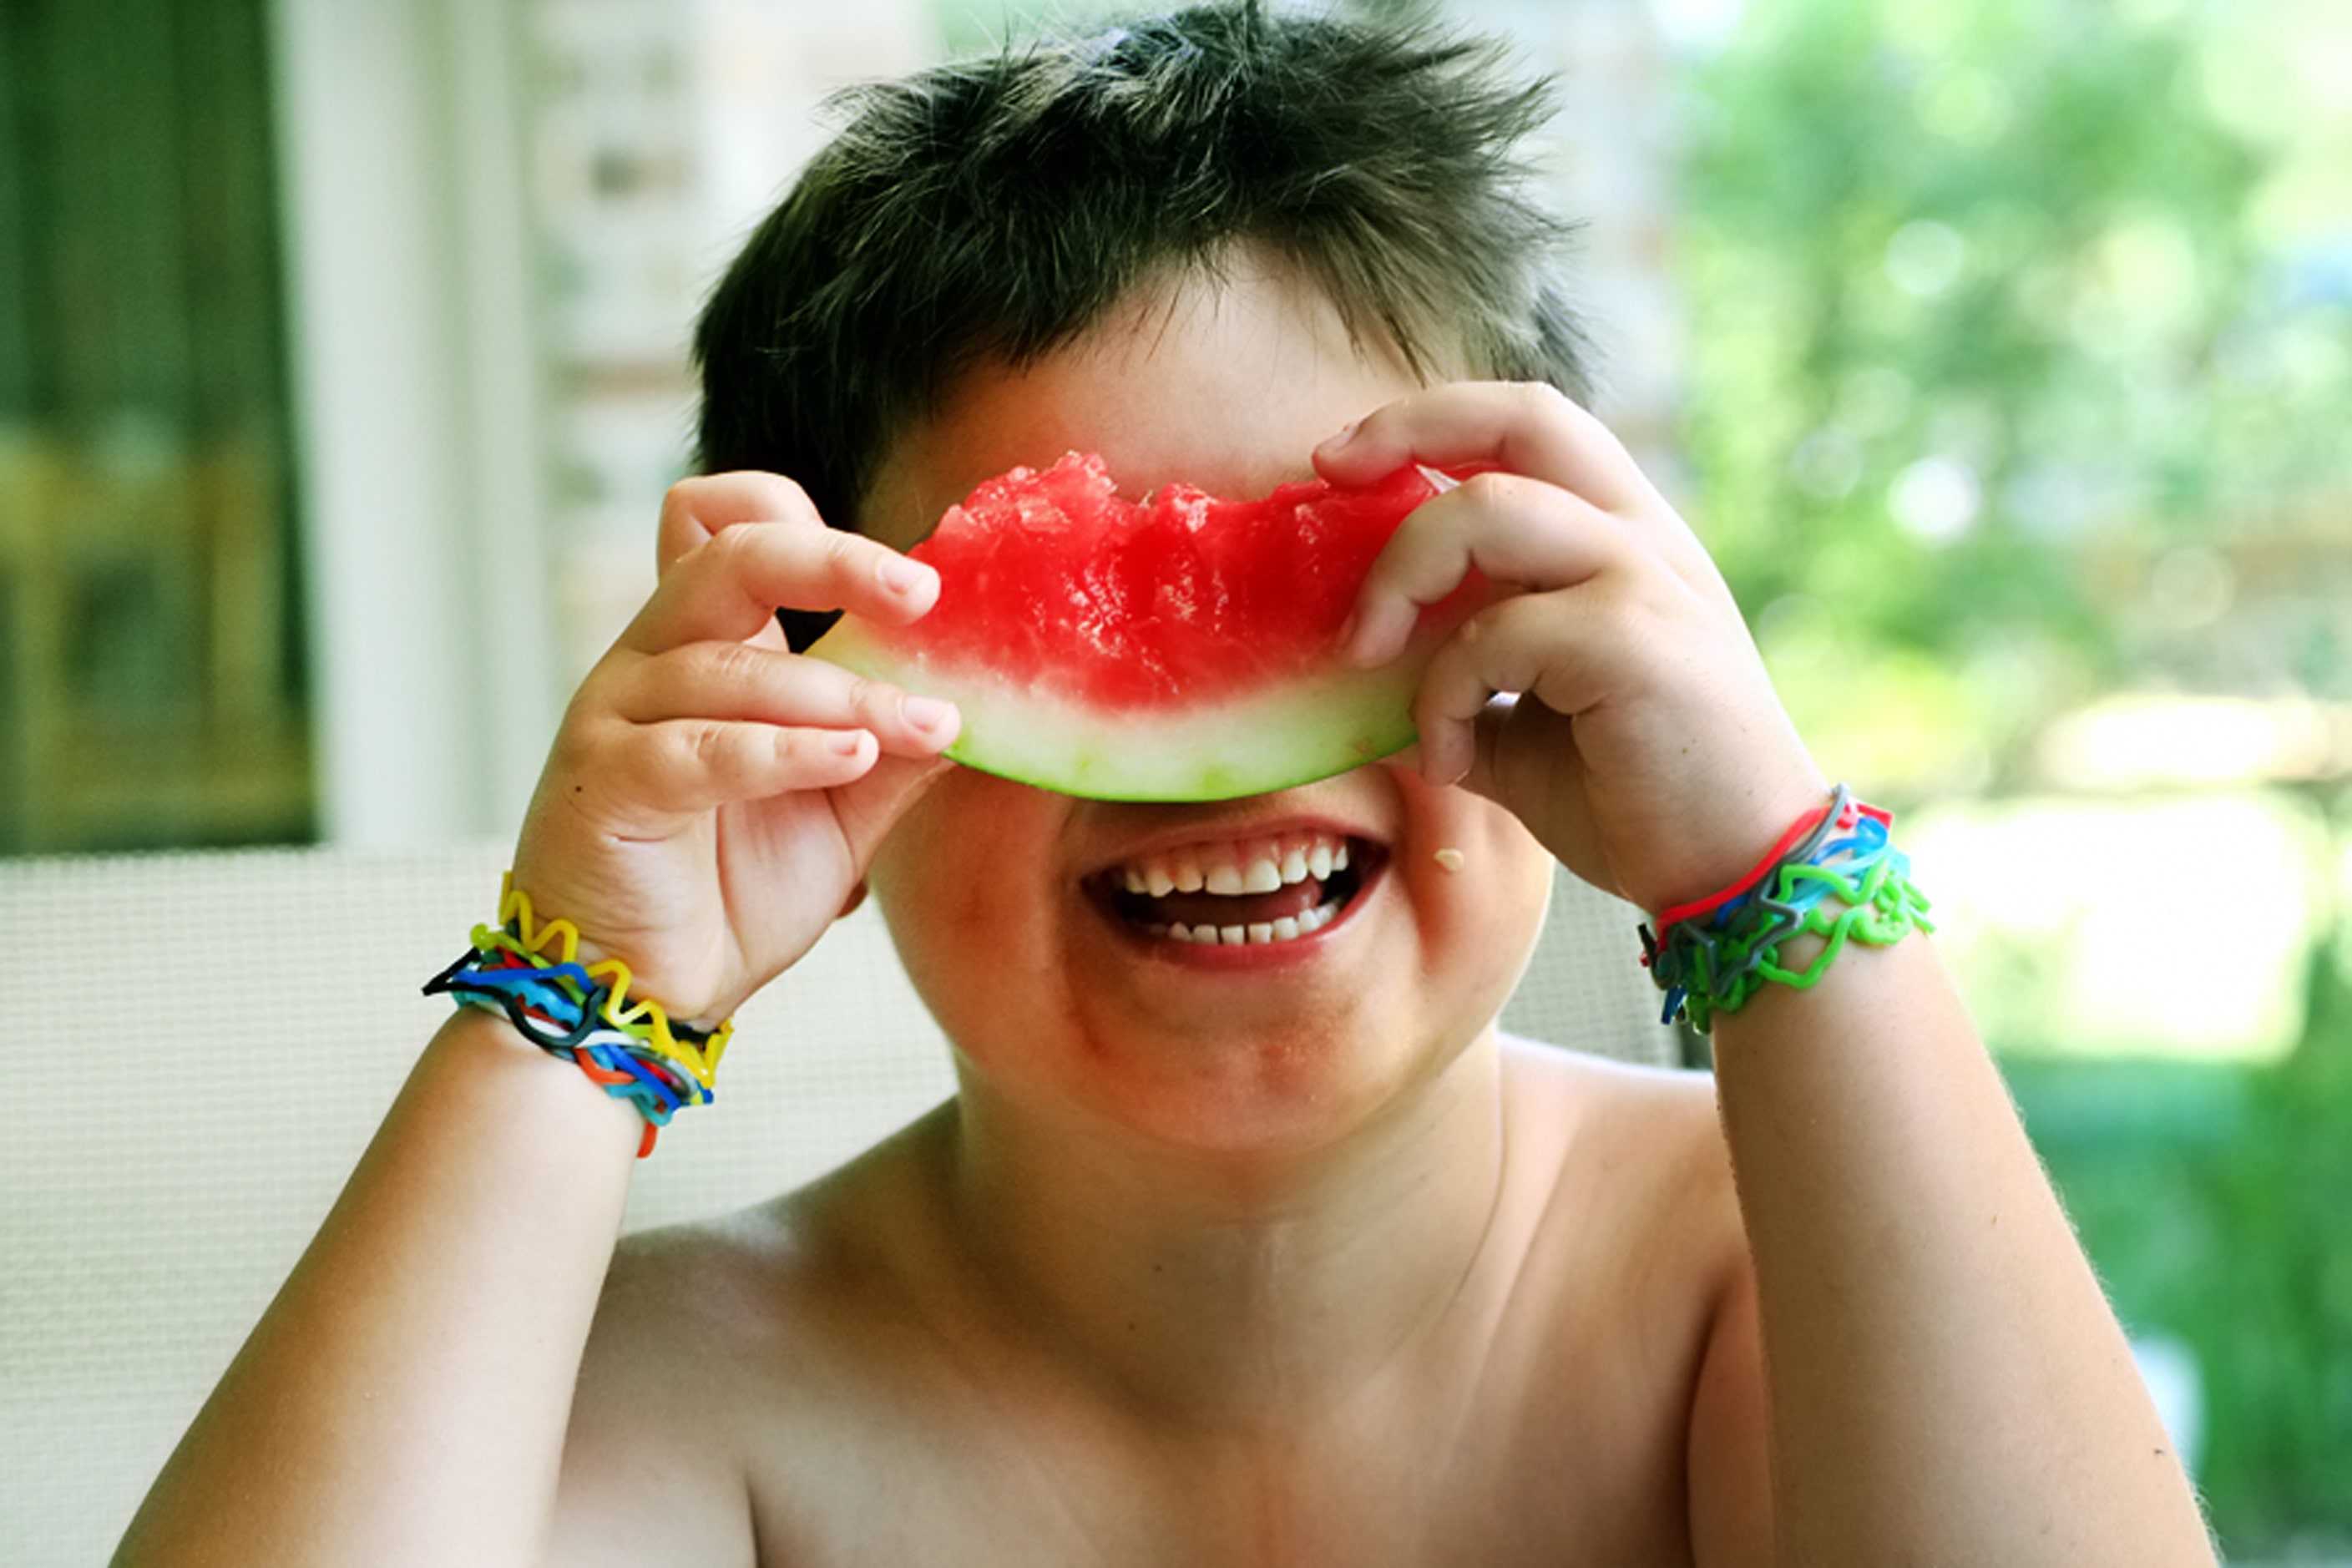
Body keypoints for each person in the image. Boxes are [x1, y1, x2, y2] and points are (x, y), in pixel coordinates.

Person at [116, 6, 2215, 1564]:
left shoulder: (1774, 1271)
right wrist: (576, 1008)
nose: (1222, 775)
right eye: (1095, 633)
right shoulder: (687, 1391)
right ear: (806, 713)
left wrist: (1775, 881)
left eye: (1350, 597)